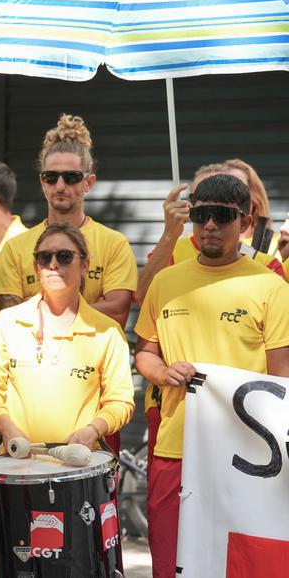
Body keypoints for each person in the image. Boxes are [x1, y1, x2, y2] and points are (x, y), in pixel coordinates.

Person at [133, 174, 289, 578]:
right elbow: (145, 353)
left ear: (247, 222)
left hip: (247, 456)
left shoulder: (271, 286)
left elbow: (282, 377)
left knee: (240, 566)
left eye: (222, 215)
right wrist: (162, 372)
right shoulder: (165, 281)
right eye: (201, 215)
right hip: (175, 448)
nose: (210, 225)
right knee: (170, 564)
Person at [0, 222, 134, 451]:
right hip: (19, 461)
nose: (53, 264)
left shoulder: (107, 331)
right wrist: (6, 427)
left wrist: (94, 430)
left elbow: (120, 401)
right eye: (44, 258)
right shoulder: (8, 322)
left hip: (79, 461)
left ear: (84, 265)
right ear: (36, 267)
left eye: (64, 256)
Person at [0, 114, 136, 330]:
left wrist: (36, 310)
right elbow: (9, 322)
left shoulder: (114, 243)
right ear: (42, 183)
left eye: (71, 177)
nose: (60, 186)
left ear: (88, 183)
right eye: (51, 177)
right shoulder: (14, 248)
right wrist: (91, 309)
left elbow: (116, 315)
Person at [136, 161, 286, 306]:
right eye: (201, 209)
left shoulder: (266, 265)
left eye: (222, 212)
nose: (210, 224)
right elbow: (144, 298)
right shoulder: (172, 250)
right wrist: (169, 234)